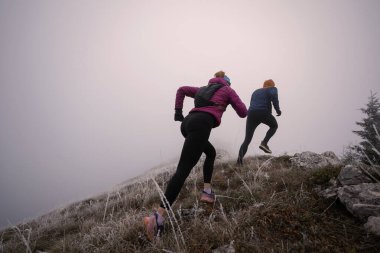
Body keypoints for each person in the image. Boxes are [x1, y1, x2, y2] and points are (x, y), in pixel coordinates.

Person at [143, 71, 247, 241]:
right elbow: (243, 112)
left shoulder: (201, 89)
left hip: (188, 123)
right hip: (202, 123)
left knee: (211, 153)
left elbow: (181, 89)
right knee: (183, 170)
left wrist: (178, 111)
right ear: (227, 81)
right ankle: (156, 219)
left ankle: (207, 191)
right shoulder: (227, 90)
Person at [237, 79, 281, 165]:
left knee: (247, 140)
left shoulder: (255, 91)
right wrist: (278, 110)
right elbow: (274, 99)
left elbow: (252, 103)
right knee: (274, 126)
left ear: (263, 85)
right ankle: (264, 143)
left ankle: (239, 162)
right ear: (272, 85)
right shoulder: (272, 89)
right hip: (263, 112)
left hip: (251, 114)